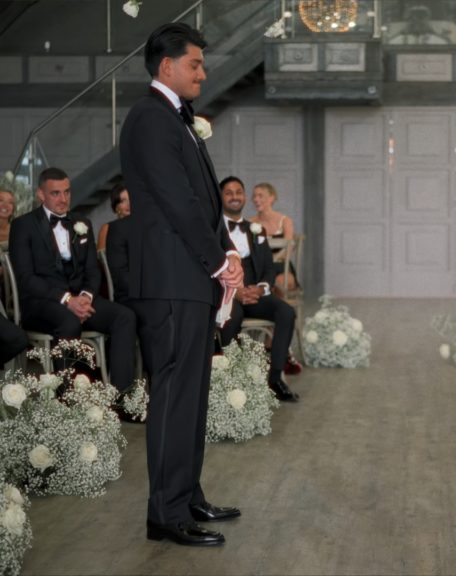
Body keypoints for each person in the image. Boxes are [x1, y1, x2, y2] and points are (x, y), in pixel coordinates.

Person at [119, 22, 245, 548]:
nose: (202, 73)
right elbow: (177, 202)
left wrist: (229, 252)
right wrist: (218, 261)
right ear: (167, 65)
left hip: (189, 278)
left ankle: (187, 495)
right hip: (170, 281)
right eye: (195, 64)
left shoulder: (177, 119)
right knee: (173, 398)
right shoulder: (150, 119)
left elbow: (206, 202)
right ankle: (165, 515)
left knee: (192, 396)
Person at [7, 167, 137, 391]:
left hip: (81, 299)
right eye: (55, 193)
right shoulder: (23, 225)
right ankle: (66, 399)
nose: (63, 199)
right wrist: (67, 300)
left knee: (124, 316)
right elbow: (26, 279)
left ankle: (120, 396)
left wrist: (86, 296)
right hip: (42, 302)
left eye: (67, 192)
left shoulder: (82, 223)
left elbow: (93, 270)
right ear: (41, 194)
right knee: (69, 321)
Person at [217, 177, 300, 402]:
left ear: (244, 197)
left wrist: (261, 289)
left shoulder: (256, 230)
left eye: (239, 192)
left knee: (286, 312)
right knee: (231, 318)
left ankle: (275, 379)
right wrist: (236, 292)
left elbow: (268, 268)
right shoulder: (212, 230)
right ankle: (228, 384)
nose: (235, 196)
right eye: (228, 192)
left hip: (254, 293)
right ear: (220, 197)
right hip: (227, 296)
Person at [248, 182, 298, 293]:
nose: (256, 199)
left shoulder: (285, 221)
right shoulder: (250, 222)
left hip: (280, 266)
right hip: (259, 267)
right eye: (254, 196)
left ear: (272, 198)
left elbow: (288, 249)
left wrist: (271, 259)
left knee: (281, 282)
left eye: (260, 196)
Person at [97, 183, 130, 250]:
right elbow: (101, 255)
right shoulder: (107, 229)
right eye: (123, 201)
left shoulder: (142, 224)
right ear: (116, 207)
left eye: (130, 199)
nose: (128, 204)